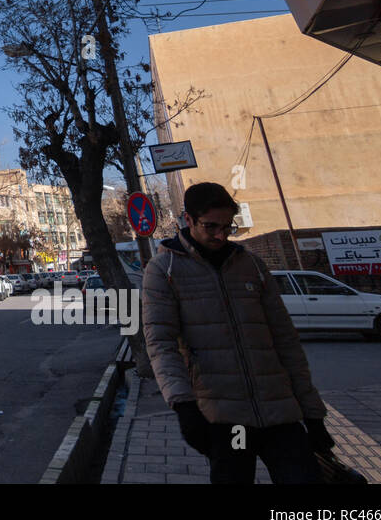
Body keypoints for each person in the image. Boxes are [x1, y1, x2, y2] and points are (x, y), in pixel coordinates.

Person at [142, 181, 332, 484]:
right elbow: (160, 342)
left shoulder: (251, 265)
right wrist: (183, 405)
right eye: (210, 226)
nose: (220, 234)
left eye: (227, 226)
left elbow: (285, 340)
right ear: (188, 220)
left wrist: (313, 413)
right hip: (225, 419)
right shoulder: (164, 269)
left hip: (279, 412)